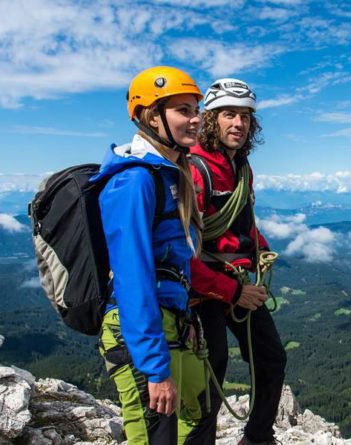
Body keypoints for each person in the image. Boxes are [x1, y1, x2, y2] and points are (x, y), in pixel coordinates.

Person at [94, 66, 212, 444]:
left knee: (200, 410)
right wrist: (154, 369)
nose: (195, 120)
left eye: (197, 109)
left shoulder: (169, 174)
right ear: (151, 116)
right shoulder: (134, 181)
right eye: (183, 110)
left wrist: (186, 313)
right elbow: (133, 277)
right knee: (156, 434)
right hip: (138, 331)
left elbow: (172, 261)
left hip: (172, 321)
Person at [189, 78, 287, 445]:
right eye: (229, 114)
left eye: (245, 116)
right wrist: (233, 293)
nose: (239, 124)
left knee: (272, 359)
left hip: (237, 279)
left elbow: (242, 222)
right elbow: (182, 254)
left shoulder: (241, 168)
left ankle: (258, 438)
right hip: (203, 288)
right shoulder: (195, 170)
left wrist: (260, 249)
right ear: (211, 119)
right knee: (211, 375)